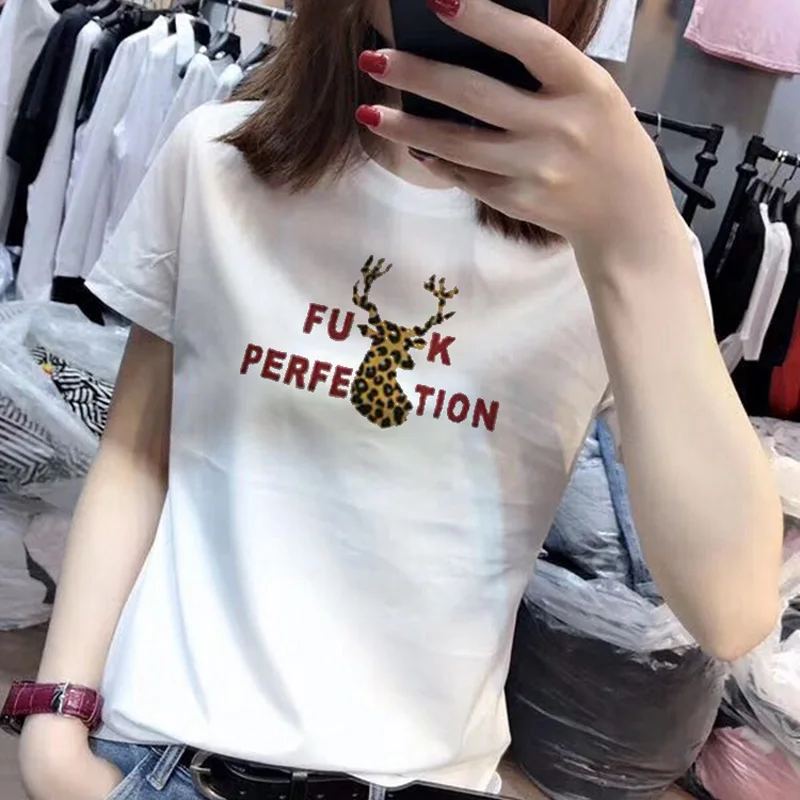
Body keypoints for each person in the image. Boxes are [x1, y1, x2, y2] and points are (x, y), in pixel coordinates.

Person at [14, 1, 784, 799]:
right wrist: (55, 727)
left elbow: (731, 609)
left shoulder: (617, 243)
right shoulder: (214, 161)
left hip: (419, 777)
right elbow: (136, 454)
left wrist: (638, 239)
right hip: (160, 760)